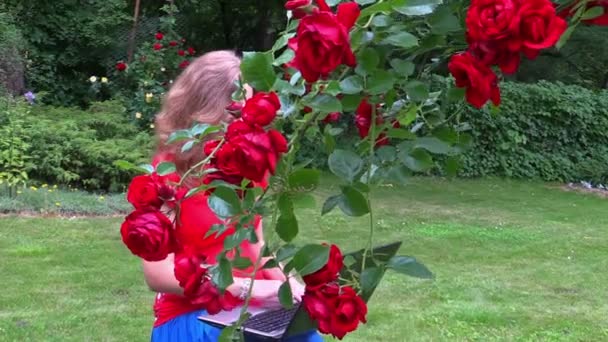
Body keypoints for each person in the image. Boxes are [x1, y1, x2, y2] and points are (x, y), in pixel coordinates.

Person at [143, 50, 322, 342]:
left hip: (257, 306)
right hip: (194, 313)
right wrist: (243, 288)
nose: (247, 120)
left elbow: (258, 245)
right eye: (236, 110)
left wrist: (292, 287)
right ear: (204, 112)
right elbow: (158, 275)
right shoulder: (166, 177)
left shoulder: (248, 165)